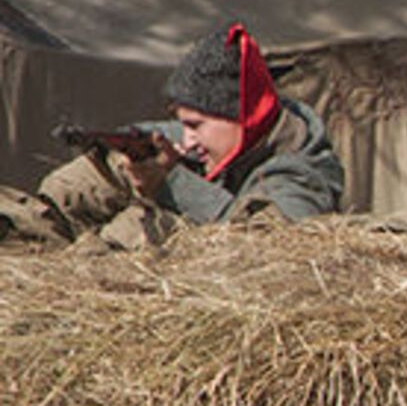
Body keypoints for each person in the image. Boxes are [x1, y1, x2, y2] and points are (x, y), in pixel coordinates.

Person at [0, 22, 342, 251]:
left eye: (196, 125)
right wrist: (126, 154)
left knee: (144, 226)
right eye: (183, 124)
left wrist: (170, 184)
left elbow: (269, 246)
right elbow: (154, 141)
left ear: (246, 119)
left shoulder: (301, 173)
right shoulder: (206, 140)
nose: (187, 139)